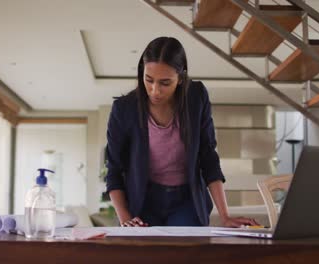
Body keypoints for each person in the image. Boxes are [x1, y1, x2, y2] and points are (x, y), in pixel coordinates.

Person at [105, 36, 259, 227]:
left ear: (180, 78)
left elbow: (208, 156)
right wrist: (126, 220)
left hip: (187, 199)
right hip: (144, 201)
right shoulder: (124, 109)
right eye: (149, 80)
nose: (155, 91)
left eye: (165, 83)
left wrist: (225, 216)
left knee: (187, 254)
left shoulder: (196, 97)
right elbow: (113, 170)